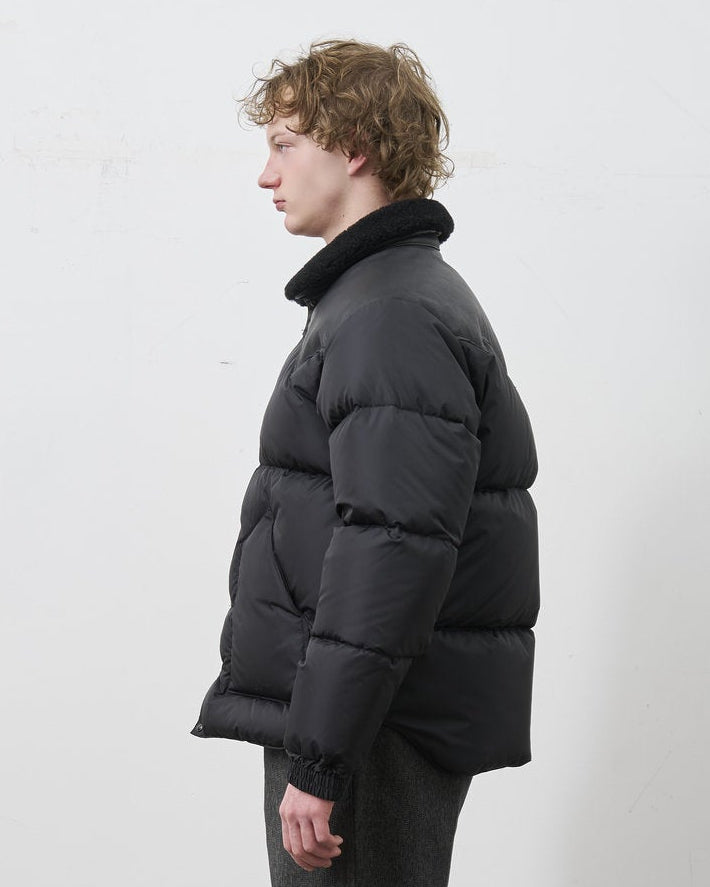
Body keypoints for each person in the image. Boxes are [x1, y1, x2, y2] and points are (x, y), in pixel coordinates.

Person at [190, 38, 540, 886]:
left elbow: (390, 547)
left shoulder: (390, 314)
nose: (266, 175)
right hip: (365, 714)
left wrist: (323, 753)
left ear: (354, 148)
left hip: (373, 728)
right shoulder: (380, 296)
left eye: (284, 144)